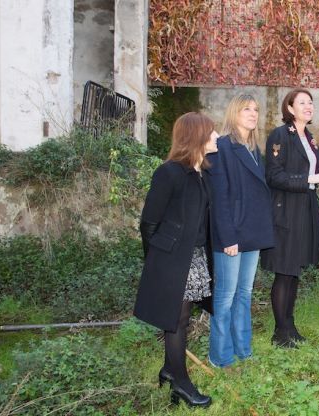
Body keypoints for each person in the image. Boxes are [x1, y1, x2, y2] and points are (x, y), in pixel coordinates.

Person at [133, 112, 218, 408]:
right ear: (196, 136)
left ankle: (170, 369)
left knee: (181, 318)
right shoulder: (168, 172)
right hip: (173, 259)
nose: (216, 137)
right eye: (211, 132)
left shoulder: (200, 173)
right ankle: (181, 383)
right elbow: (149, 223)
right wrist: (157, 262)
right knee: (175, 320)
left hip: (194, 257)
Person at [260, 88, 319, 348]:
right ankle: (280, 333)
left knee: (294, 272)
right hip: (285, 211)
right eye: (302, 102)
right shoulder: (280, 135)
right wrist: (307, 180)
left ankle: (289, 326)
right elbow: (273, 176)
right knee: (284, 271)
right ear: (290, 108)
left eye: (311, 102)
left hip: (305, 209)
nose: (308, 106)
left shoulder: (310, 138)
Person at [207, 94, 274, 367]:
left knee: (244, 293)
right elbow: (218, 198)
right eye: (246, 109)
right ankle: (220, 357)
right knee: (224, 297)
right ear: (234, 113)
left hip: (252, 232)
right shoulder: (221, 146)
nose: (253, 113)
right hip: (231, 235)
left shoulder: (253, 148)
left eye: (256, 109)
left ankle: (243, 351)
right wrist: (228, 237)